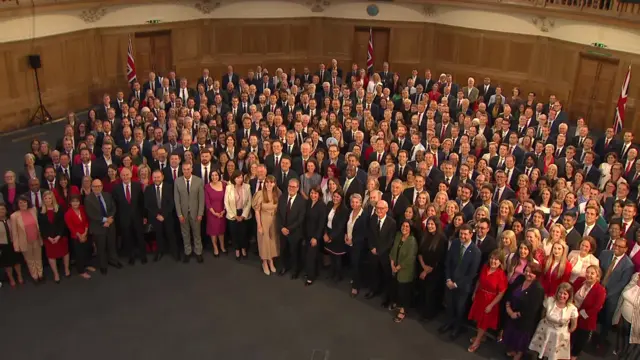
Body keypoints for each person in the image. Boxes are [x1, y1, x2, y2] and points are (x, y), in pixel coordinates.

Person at [439, 224, 482, 340]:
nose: (462, 236)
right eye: (461, 233)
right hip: (450, 282)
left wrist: (456, 284)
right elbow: (448, 262)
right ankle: (449, 323)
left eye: (465, 234)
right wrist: (448, 279)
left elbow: (472, 273)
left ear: (471, 235)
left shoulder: (476, 252)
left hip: (462, 287)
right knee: (450, 305)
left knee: (459, 308)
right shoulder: (455, 243)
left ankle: (456, 329)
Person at [597, 237, 635, 352]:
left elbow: (622, 284)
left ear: (626, 249)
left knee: (607, 320)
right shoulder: (604, 254)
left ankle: (601, 342)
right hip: (597, 291)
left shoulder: (628, 265)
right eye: (615, 245)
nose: (616, 248)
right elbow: (598, 271)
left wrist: (606, 294)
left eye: (620, 246)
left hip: (611, 297)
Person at [502, 263, 546, 360]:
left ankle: (519, 354)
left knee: (521, 339)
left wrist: (515, 314)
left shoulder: (538, 289)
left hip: (525, 321)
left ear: (536, 275)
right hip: (512, 314)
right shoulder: (520, 279)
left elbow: (533, 309)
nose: (528, 273)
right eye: (526, 271)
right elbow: (510, 293)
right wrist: (508, 308)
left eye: (531, 272)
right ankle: (513, 350)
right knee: (512, 335)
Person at [468, 249, 508, 352]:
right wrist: (474, 292)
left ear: (500, 262)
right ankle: (481, 336)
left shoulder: (501, 275)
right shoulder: (485, 267)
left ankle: (477, 341)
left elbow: (501, 293)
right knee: (478, 319)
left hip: (490, 301)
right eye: (492, 258)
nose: (493, 261)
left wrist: (491, 305)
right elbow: (479, 281)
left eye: (496, 259)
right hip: (480, 296)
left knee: (483, 322)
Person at [529, 282, 578, 360]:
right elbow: (543, 314)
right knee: (539, 353)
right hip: (545, 331)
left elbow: (573, 326)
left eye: (565, 294)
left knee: (552, 356)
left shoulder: (572, 309)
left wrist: (564, 331)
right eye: (560, 292)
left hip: (559, 336)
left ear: (569, 296)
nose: (562, 296)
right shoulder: (549, 301)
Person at [84, 179, 121, 274]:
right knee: (101, 247)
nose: (97, 188)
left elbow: (113, 207)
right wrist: (105, 220)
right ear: (92, 187)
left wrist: (110, 219)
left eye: (99, 186)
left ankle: (113, 261)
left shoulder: (107, 195)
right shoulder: (88, 199)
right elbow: (92, 214)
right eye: (95, 186)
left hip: (110, 224)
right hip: (98, 227)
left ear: (102, 186)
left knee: (112, 244)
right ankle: (103, 265)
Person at [365, 200, 397, 306]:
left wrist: (379, 251)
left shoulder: (391, 222)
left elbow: (390, 240)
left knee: (387, 276)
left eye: (381, 208)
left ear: (386, 209)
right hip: (373, 252)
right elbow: (369, 235)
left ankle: (388, 298)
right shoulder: (373, 219)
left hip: (384, 254)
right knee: (373, 272)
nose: (379, 210)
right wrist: (372, 247)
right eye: (377, 208)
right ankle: (373, 290)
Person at [571, 265, 606, 360]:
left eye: (592, 273)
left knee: (578, 343)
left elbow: (596, 308)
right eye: (587, 272)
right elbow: (571, 293)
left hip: (585, 321)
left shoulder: (600, 290)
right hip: (571, 314)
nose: (589, 275)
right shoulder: (579, 280)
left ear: (597, 276)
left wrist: (579, 314)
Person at [112, 167, 146, 265]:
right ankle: (131, 256)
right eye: (123, 175)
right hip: (124, 218)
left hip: (137, 217)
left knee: (140, 237)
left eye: (127, 175)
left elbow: (142, 202)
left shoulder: (137, 186)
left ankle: (143, 256)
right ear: (120, 177)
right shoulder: (116, 188)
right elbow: (115, 205)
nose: (125, 177)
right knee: (128, 238)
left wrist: (144, 216)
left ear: (131, 175)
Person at [417, 215, 447, 320]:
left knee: (431, 293)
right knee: (423, 290)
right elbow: (419, 253)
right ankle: (423, 309)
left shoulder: (442, 239)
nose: (430, 226)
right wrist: (423, 267)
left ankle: (429, 314)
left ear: (437, 225)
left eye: (432, 224)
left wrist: (426, 271)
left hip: (434, 271)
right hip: (423, 266)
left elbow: (439, 258)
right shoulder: (425, 236)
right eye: (428, 224)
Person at [174, 162, 205, 263]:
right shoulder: (177, 181)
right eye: (184, 169)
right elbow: (176, 199)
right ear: (182, 170)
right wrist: (179, 214)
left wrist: (200, 213)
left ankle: (198, 252)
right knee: (185, 234)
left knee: (197, 234)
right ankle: (187, 252)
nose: (186, 171)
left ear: (191, 169)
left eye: (188, 169)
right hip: (183, 214)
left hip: (195, 213)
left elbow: (201, 199)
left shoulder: (199, 181)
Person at [276, 178, 307, 278]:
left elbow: (300, 219)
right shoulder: (282, 197)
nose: (291, 188)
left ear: (298, 188)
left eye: (294, 187)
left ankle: (295, 271)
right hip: (282, 231)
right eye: (290, 186)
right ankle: (284, 267)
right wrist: (281, 228)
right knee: (283, 251)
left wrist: (288, 229)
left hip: (294, 232)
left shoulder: (301, 201)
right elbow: (278, 215)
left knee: (294, 253)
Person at [145, 169, 177, 262]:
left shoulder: (169, 187)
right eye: (154, 177)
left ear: (162, 177)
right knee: (158, 235)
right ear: (152, 178)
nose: (156, 179)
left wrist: (163, 215)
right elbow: (147, 205)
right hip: (155, 217)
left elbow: (171, 203)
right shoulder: (148, 189)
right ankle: (159, 252)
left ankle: (174, 252)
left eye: (158, 177)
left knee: (171, 234)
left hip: (167, 216)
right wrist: (157, 215)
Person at [389, 220, 418, 323]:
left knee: (404, 291)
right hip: (395, 267)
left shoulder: (412, 241)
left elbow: (410, 258)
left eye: (407, 226)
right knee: (397, 288)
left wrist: (398, 267)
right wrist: (392, 263)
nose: (404, 228)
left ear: (410, 229)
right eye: (403, 226)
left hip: (405, 270)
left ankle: (403, 311)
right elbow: (393, 250)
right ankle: (398, 304)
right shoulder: (398, 236)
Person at [37, 191, 69, 283]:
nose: (47, 200)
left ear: (53, 199)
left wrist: (59, 236)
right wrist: (48, 237)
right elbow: (41, 226)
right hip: (48, 238)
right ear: (43, 199)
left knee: (65, 253)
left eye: (49, 198)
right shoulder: (40, 211)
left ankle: (67, 269)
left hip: (60, 236)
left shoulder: (59, 208)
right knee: (51, 256)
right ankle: (56, 274)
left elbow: (62, 224)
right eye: (45, 198)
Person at [252, 175, 280, 275]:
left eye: (271, 182)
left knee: (273, 241)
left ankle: (271, 260)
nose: (269, 184)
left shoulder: (277, 193)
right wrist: (259, 225)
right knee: (264, 241)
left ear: (274, 184)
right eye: (267, 182)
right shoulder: (259, 194)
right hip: (263, 219)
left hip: (274, 220)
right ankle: (264, 262)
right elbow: (256, 211)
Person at [64, 194, 94, 279]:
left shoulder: (82, 209)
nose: (75, 203)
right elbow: (71, 227)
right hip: (76, 236)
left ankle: (87, 265)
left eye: (77, 201)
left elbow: (87, 221)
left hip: (85, 233)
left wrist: (85, 232)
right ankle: (81, 271)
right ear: (70, 203)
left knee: (87, 250)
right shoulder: (68, 214)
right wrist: (80, 236)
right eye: (73, 202)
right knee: (79, 254)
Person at [224, 170, 252, 260]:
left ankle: (243, 248)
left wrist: (243, 215)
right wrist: (234, 216)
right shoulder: (229, 187)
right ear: (234, 179)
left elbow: (249, 202)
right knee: (234, 233)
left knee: (243, 233)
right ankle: (237, 249)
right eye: (238, 177)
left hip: (244, 213)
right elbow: (226, 203)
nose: (240, 179)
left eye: (241, 177)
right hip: (233, 214)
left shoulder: (247, 187)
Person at [345, 193, 368, 297]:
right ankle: (355, 279)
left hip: (358, 245)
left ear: (361, 203)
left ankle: (355, 287)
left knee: (356, 265)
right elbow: (348, 226)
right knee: (353, 264)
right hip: (349, 243)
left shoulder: (364, 216)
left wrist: (352, 241)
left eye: (357, 202)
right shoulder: (350, 212)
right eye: (352, 202)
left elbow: (363, 234)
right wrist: (346, 235)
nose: (354, 204)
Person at [613, 271, 640, 360]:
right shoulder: (635, 276)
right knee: (622, 338)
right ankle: (620, 353)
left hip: (636, 324)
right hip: (623, 317)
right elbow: (624, 293)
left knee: (632, 345)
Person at [303, 186, 326, 286]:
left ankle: (310, 277)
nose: (313, 195)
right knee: (309, 255)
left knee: (311, 256)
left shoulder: (322, 206)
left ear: (319, 194)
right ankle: (312, 272)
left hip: (315, 235)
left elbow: (321, 223)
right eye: (312, 193)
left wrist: (316, 237)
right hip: (307, 233)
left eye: (315, 193)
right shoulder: (308, 202)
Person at [324, 189, 349, 281]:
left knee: (337, 257)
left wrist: (331, 237)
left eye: (337, 197)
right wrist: (325, 233)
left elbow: (340, 227)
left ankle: (338, 275)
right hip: (328, 233)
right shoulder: (329, 204)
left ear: (341, 198)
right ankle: (332, 272)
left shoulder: (344, 210)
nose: (335, 198)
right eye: (334, 196)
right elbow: (325, 220)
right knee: (331, 255)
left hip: (337, 237)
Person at [0, 203, 24, 287]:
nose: (1, 211)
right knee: (7, 264)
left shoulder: (11, 219)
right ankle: (11, 278)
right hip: (3, 246)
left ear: (6, 210)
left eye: (3, 209)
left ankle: (19, 276)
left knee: (17, 261)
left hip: (13, 243)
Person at [204, 169, 226, 256]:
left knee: (221, 230)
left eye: (216, 175)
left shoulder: (224, 185)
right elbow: (207, 202)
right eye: (212, 175)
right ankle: (215, 247)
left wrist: (224, 210)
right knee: (213, 231)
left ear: (219, 175)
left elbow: (227, 199)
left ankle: (222, 246)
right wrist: (214, 213)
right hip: (212, 212)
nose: (214, 177)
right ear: (210, 177)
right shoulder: (207, 187)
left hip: (222, 211)